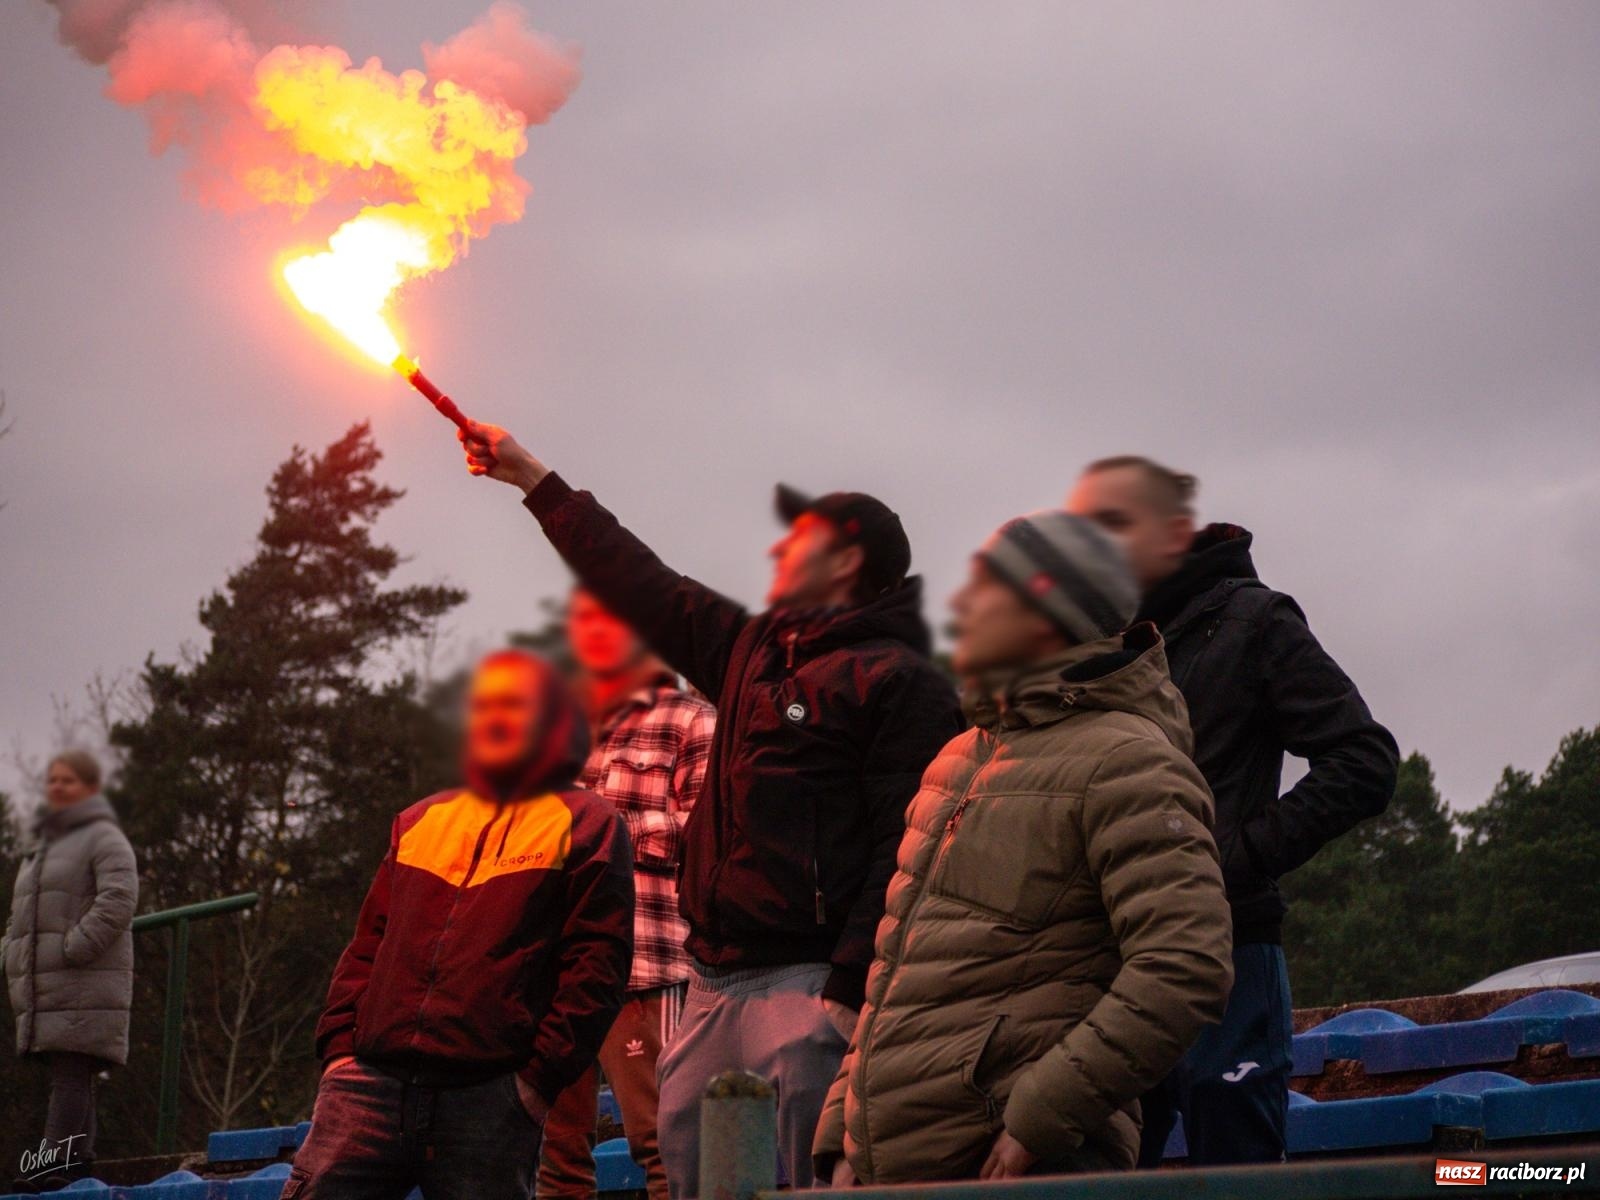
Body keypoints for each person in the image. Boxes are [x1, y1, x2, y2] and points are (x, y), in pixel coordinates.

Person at [459, 424, 964, 1198]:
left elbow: (912, 846)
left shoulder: (900, 681)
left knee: (799, 1182)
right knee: (696, 1172)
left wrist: (850, 990)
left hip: (810, 984)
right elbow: (638, 581)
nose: (776, 552)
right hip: (711, 983)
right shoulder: (750, 651)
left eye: (798, 540)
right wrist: (535, 480)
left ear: (848, 558)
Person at [813, 511, 1233, 1184]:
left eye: (985, 584)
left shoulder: (1130, 762)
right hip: (894, 1172)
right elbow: (896, 967)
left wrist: (1036, 1121)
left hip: (1022, 1170)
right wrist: (842, 1130)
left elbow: (1183, 966)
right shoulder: (958, 757)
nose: (961, 602)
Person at [1067, 456, 1399, 1166]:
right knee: (1105, 1172)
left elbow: (1362, 761)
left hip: (1227, 953)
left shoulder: (1253, 620)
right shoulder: (1095, 649)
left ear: (1175, 529)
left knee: (1236, 1170)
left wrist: (1227, 863)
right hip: (1107, 964)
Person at [281, 651, 635, 1200]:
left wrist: (534, 1082)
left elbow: (597, 971)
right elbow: (366, 949)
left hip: (490, 1099)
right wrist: (339, 1055)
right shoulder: (420, 819)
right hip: (368, 1088)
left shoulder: (590, 824)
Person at [538, 588, 716, 1200]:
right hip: (552, 970)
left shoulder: (692, 721)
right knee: (554, 1157)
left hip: (644, 962)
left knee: (663, 1142)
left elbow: (706, 846)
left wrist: (596, 826)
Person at [3, 750, 137, 1195]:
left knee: (71, 1071)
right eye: (53, 780)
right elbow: (19, 915)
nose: (58, 788)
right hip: (51, 985)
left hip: (83, 979)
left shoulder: (103, 837)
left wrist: (74, 947)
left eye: (69, 781)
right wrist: (10, 952)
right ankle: (77, 1164)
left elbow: (119, 897)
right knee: (72, 1070)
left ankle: (50, 1163)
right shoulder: (40, 848)